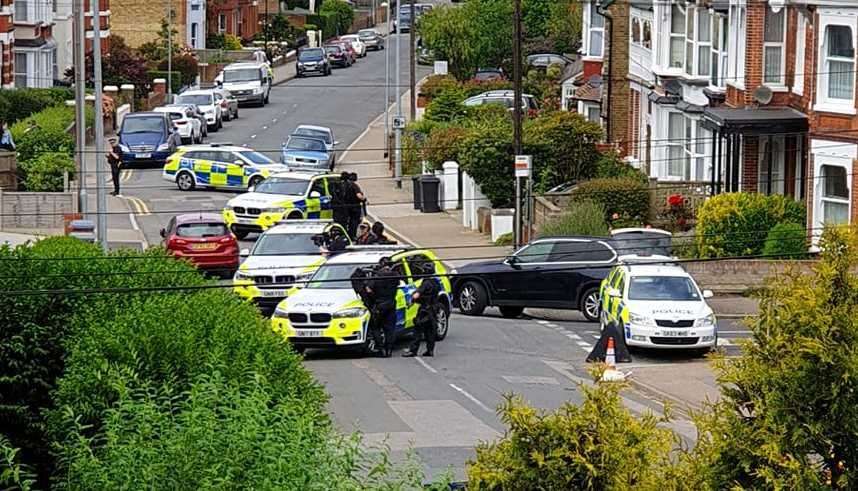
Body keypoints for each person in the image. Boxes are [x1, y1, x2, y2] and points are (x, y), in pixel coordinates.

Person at [403, 271, 440, 358]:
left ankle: (413, 350)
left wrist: (412, 299)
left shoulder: (426, 283)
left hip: (425, 310)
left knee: (417, 330)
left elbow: (416, 295)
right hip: (433, 309)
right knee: (430, 331)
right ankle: (430, 350)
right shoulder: (436, 282)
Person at [367, 257, 400, 357]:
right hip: (391, 304)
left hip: (379, 305)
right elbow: (398, 284)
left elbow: (368, 289)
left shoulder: (377, 276)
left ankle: (381, 349)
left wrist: (373, 295)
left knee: (376, 327)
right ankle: (389, 350)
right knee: (390, 329)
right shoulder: (395, 275)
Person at [345, 172, 365, 239]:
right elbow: (359, 196)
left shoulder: (346, 185)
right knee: (354, 222)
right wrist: (364, 199)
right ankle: (352, 235)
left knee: (349, 222)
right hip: (355, 207)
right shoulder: (354, 186)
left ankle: (348, 234)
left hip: (347, 207)